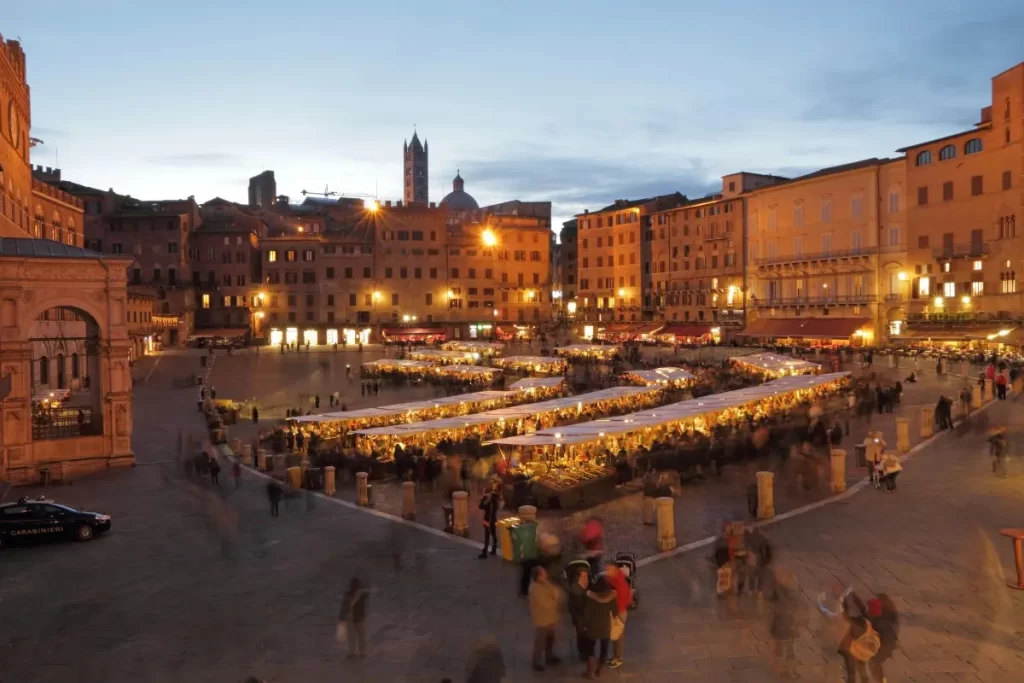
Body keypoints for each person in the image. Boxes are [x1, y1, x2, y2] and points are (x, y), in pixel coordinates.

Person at [580, 576, 619, 679]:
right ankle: (599, 671)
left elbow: (586, 613)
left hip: (592, 626)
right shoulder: (611, 596)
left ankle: (590, 672)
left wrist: (584, 625)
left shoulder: (590, 596)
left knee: (590, 650)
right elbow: (615, 612)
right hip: (605, 627)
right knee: (604, 650)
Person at [528, 566, 564, 671]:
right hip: (542, 619)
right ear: (539, 576)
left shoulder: (546, 584)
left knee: (550, 638)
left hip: (551, 617)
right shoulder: (534, 588)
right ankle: (536, 661)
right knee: (540, 641)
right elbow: (545, 603)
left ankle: (549, 656)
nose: (546, 574)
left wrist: (553, 596)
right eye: (544, 573)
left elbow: (556, 593)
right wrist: (554, 600)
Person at [769, 567, 801, 680]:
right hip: (787, 621)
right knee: (789, 648)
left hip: (779, 621)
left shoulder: (777, 588)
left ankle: (778, 670)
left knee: (780, 647)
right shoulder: (790, 590)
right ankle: (788, 671)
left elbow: (772, 605)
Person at [604, 562, 632, 669]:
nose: (607, 571)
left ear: (615, 570)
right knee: (615, 634)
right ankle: (615, 656)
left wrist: (614, 614)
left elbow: (622, 601)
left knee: (618, 635)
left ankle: (618, 658)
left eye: (609, 569)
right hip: (617, 610)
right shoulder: (614, 577)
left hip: (619, 612)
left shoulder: (619, 583)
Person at [338, 577, 368, 658]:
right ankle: (362, 652)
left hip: (350, 616)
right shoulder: (361, 594)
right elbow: (363, 607)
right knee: (361, 635)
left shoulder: (348, 594)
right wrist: (363, 615)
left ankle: (352, 652)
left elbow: (344, 606)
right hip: (359, 617)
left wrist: (342, 617)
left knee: (351, 635)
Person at [478, 480, 501, 559]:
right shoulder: (495, 500)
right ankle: (494, 549)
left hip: (488, 520)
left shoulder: (489, 501)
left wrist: (483, 498)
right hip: (493, 519)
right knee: (493, 535)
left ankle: (485, 552)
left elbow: (480, 506)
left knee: (487, 536)